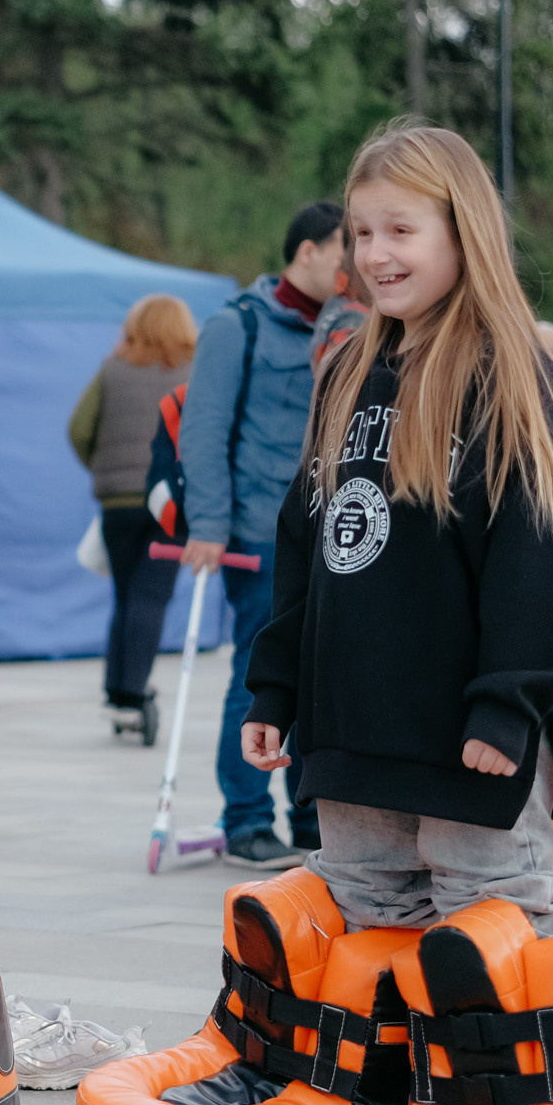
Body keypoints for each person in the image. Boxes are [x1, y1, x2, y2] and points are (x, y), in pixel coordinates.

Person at [242, 120, 553, 938]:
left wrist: (506, 706)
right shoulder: (345, 373)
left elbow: (537, 556)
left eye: (401, 230)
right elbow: (311, 544)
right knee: (370, 919)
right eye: (363, 233)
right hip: (357, 724)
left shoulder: (508, 370)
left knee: (491, 920)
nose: (376, 254)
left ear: (462, 231)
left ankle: (551, 1068)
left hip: (470, 728)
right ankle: (402, 1074)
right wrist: (277, 686)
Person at [177, 200, 348, 868]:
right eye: (343, 250)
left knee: (324, 676)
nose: (353, 267)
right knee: (261, 674)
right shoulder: (237, 325)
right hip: (257, 536)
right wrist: (210, 526)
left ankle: (311, 816)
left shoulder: (349, 328)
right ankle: (246, 817)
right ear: (306, 251)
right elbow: (204, 431)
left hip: (332, 537)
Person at [67, 294, 197, 731]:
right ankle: (133, 693)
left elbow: (79, 429)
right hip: (171, 504)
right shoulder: (194, 373)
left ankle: (117, 692)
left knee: (125, 595)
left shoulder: (113, 368)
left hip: (117, 503)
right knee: (151, 597)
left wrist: (107, 472)